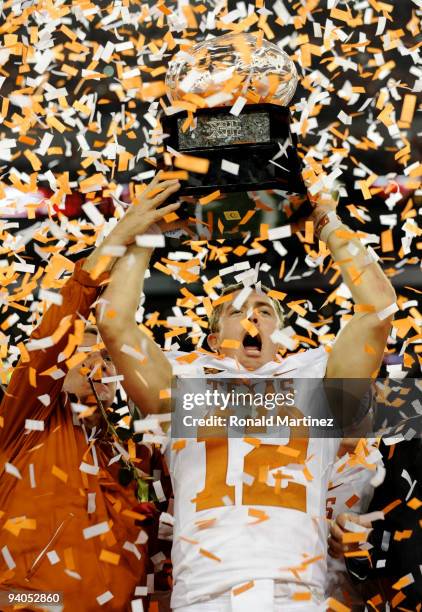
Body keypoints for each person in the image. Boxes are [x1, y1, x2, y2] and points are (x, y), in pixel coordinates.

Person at [97, 177, 397, 611]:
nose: (253, 317)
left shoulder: (316, 384)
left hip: (296, 596)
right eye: (238, 311)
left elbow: (378, 309)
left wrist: (327, 220)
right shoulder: (187, 388)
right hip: (202, 594)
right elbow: (114, 324)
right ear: (216, 339)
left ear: (281, 334)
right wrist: (145, 234)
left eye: (264, 310)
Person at [0, 173, 181, 611]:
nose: (101, 367)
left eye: (108, 359)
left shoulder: (139, 463)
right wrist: (124, 233)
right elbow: (65, 317)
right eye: (86, 356)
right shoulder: (24, 427)